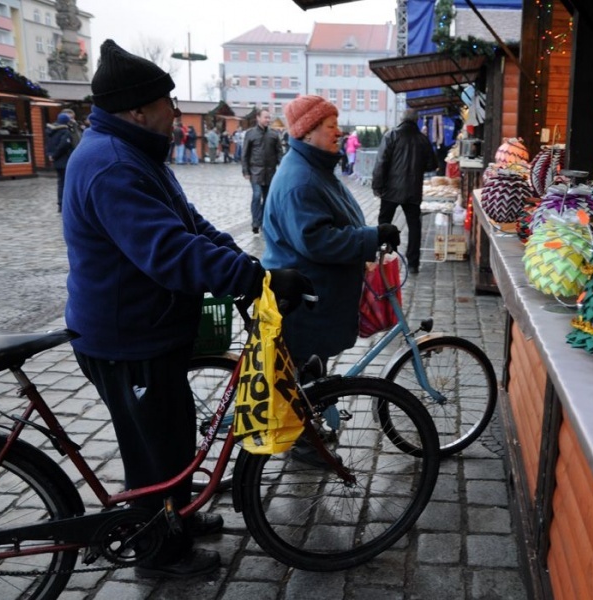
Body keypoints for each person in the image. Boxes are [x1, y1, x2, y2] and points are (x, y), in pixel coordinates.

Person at [61, 39, 313, 580]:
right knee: (150, 453)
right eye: (167, 103)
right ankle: (158, 554)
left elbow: (191, 225)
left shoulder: (134, 151)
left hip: (150, 329)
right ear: (137, 109)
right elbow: (169, 253)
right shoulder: (111, 165)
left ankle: (173, 517)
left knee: (172, 438)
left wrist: (248, 268)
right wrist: (254, 278)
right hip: (125, 338)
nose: (175, 112)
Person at [262, 94, 400, 372]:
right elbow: (317, 240)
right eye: (330, 125)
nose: (339, 132)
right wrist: (372, 237)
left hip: (316, 300)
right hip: (306, 305)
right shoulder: (301, 179)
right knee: (301, 387)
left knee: (312, 382)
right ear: (308, 132)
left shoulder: (315, 168)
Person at [372, 109, 437, 275]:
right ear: (417, 121)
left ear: (401, 119)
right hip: (413, 190)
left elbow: (381, 162)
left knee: (384, 223)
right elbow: (432, 164)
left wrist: (377, 186)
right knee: (414, 226)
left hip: (391, 190)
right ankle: (413, 263)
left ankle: (383, 256)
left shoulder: (391, 135)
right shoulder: (422, 139)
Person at [241, 108, 283, 235]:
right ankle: (255, 222)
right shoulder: (250, 133)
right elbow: (245, 154)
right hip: (255, 171)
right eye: (265, 117)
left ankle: (264, 222)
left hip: (270, 172)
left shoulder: (274, 134)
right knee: (257, 195)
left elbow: (279, 152)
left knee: (267, 198)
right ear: (258, 118)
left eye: (269, 117)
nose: (268, 120)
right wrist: (245, 170)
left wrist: (282, 166)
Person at [45, 112, 74, 212]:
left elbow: (48, 145)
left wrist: (51, 155)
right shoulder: (65, 131)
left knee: (60, 182)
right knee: (66, 182)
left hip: (56, 160)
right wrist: (55, 155)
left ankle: (60, 203)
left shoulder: (49, 131)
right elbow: (63, 145)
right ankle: (65, 204)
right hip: (64, 160)